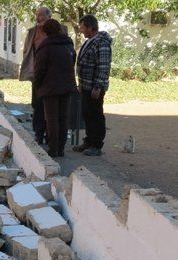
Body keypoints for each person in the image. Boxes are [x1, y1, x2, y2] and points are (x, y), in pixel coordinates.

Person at [19, 7, 65, 146]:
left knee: (53, 109)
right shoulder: (32, 32)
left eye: (41, 15)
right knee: (38, 106)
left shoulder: (60, 30)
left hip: (54, 76)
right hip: (38, 74)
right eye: (37, 15)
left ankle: (51, 137)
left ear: (49, 16)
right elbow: (27, 51)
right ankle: (39, 134)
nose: (38, 18)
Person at [33, 19, 76, 157]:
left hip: (50, 88)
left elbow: (39, 70)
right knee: (63, 118)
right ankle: (61, 149)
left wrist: (37, 85)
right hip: (67, 86)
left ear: (45, 32)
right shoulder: (68, 44)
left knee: (51, 119)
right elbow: (72, 61)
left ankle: (53, 149)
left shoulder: (45, 47)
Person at [74, 14, 112, 156]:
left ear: (91, 27)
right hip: (86, 86)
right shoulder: (91, 40)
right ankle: (89, 141)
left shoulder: (101, 42)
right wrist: (80, 83)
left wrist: (98, 86)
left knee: (95, 115)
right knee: (87, 113)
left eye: (83, 27)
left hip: (94, 88)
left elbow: (103, 66)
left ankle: (96, 145)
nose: (81, 30)